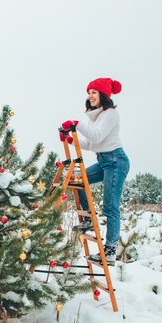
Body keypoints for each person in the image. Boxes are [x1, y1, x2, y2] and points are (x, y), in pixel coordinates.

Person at [61, 77, 130, 265]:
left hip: (116, 161)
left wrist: (77, 124)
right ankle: (89, 218)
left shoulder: (111, 114)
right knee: (78, 179)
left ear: (103, 94)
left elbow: (98, 137)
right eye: (89, 92)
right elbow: (93, 144)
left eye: (94, 92)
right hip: (104, 160)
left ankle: (109, 251)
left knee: (110, 206)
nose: (90, 96)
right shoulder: (95, 116)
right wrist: (69, 139)